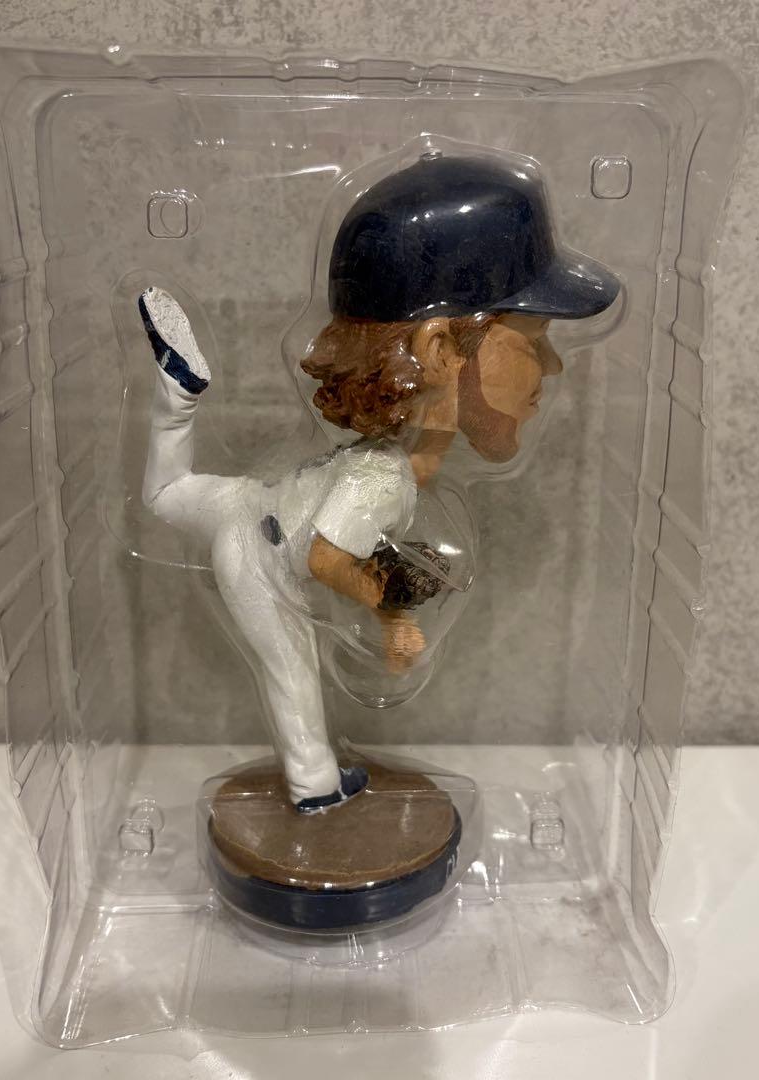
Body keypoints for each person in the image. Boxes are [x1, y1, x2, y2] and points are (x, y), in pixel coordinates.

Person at [139, 152, 622, 812]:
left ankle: (177, 398)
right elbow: (325, 559)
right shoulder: (383, 478)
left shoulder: (388, 465)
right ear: (440, 351)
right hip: (256, 554)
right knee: (292, 675)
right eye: (532, 338)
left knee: (166, 494)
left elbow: (350, 545)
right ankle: (314, 787)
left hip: (252, 505)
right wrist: (391, 615)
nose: (555, 365)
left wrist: (390, 599)